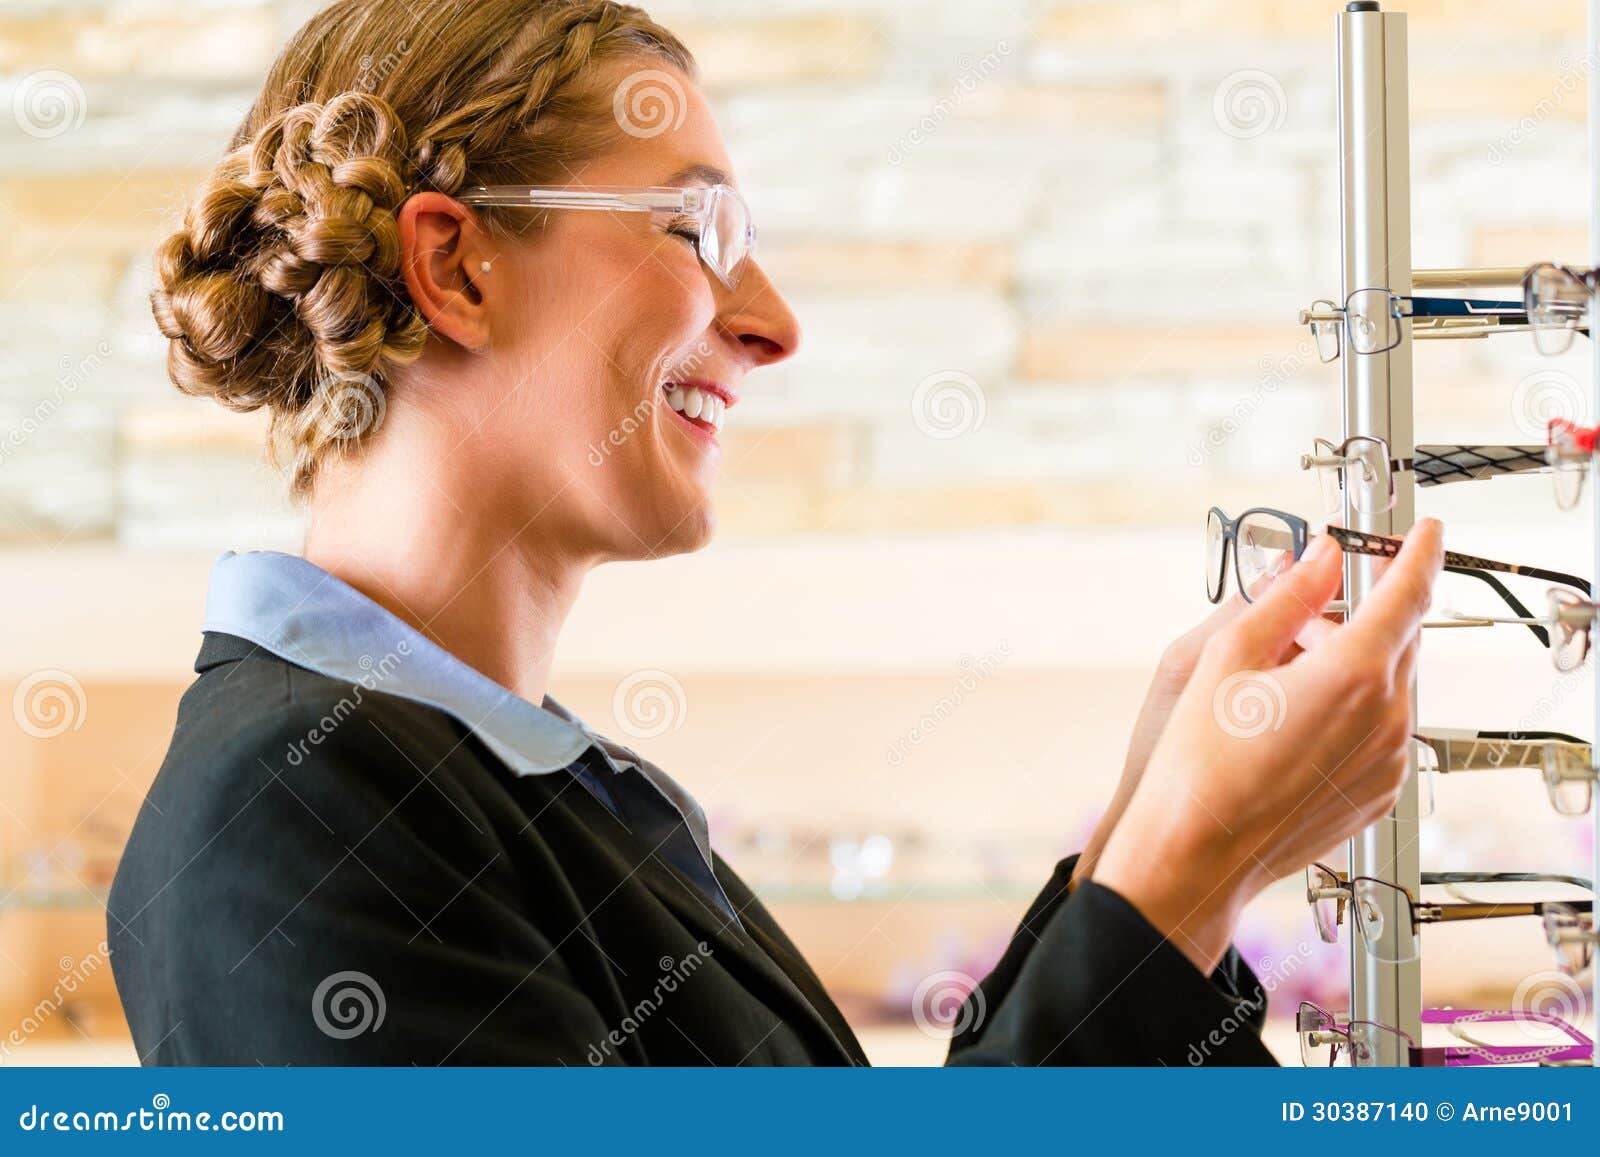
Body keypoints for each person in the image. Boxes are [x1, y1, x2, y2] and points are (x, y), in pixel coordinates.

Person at [106, 0, 1443, 1066]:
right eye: (700, 227)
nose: (773, 322)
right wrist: (1177, 877)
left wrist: (1142, 841)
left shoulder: (529, 786)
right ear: (455, 265)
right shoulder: (291, 809)